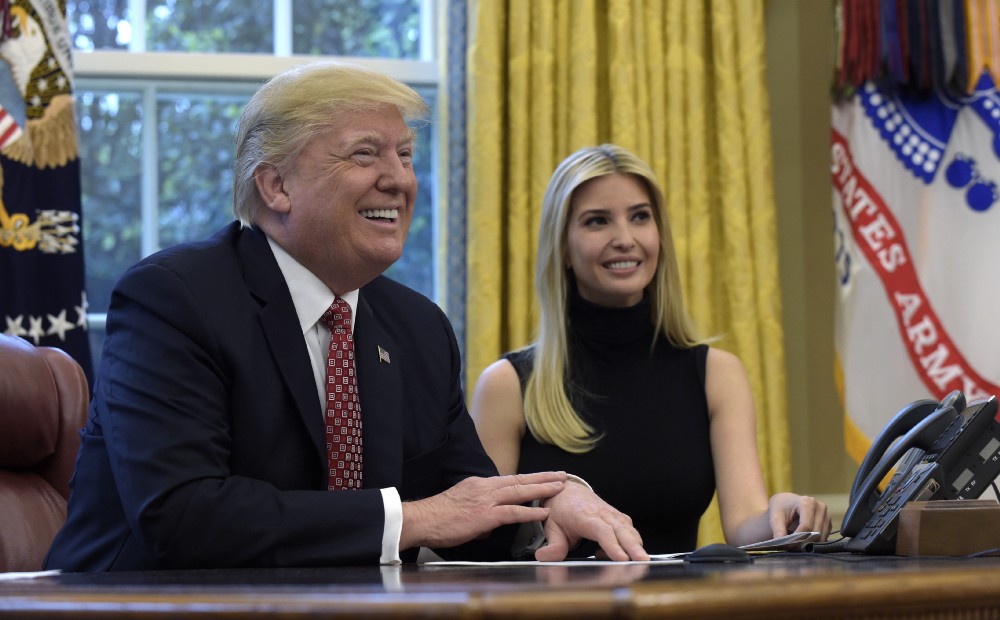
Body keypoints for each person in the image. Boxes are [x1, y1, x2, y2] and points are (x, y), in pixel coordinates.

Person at [44, 63, 648, 572]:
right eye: (367, 154)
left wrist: (551, 507)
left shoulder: (419, 328)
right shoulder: (173, 300)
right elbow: (182, 517)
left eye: (406, 155)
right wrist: (413, 518)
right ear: (276, 185)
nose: (400, 179)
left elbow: (470, 509)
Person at [469, 144, 832, 554]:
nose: (624, 239)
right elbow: (483, 538)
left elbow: (744, 523)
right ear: (564, 248)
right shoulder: (507, 385)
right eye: (597, 221)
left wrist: (782, 517)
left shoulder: (717, 374)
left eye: (640, 217)